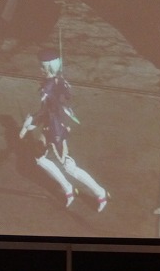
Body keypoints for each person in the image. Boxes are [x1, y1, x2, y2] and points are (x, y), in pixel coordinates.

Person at [19, 50, 108, 211]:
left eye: (42, 67)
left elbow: (47, 109)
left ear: (49, 67)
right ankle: (68, 188)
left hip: (56, 128)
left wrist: (31, 122)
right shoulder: (56, 81)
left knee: (68, 166)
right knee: (39, 157)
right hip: (51, 123)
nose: (40, 69)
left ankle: (100, 192)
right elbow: (56, 103)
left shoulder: (49, 85)